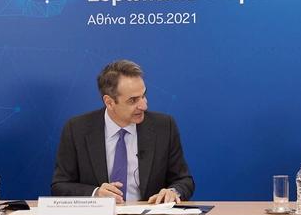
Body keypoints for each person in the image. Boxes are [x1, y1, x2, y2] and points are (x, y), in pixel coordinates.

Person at [51, 60, 194, 204]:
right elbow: (59, 186)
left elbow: (184, 180)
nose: (143, 106)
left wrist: (173, 192)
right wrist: (95, 193)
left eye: (143, 96)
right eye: (133, 100)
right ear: (109, 102)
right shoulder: (76, 129)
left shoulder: (164, 126)